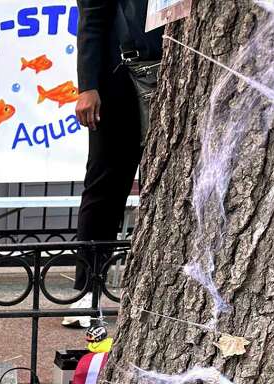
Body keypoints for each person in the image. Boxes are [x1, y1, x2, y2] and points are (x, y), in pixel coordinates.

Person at [63, 0, 162, 328]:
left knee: (165, 185)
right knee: (105, 186)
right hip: (119, 78)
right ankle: (88, 291)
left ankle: (155, 291)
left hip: (171, 74)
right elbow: (91, 19)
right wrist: (88, 86)